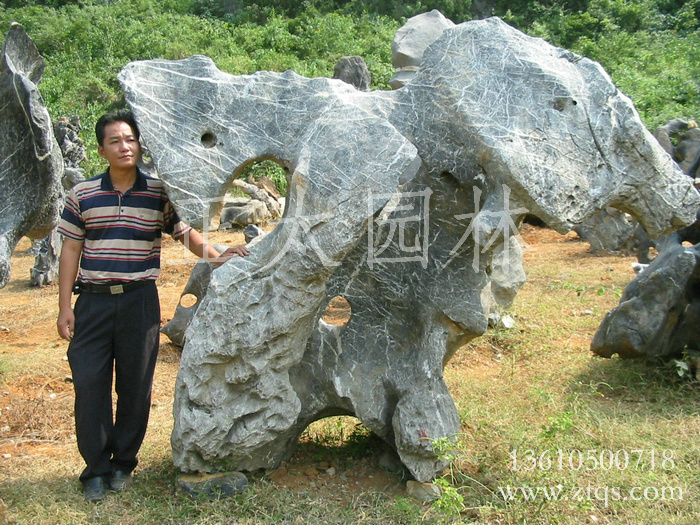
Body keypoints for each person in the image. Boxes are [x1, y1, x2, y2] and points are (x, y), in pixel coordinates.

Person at [56, 109, 249, 502]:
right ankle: (94, 470)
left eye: (130, 138)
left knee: (135, 387)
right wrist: (64, 307)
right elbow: (71, 248)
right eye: (115, 140)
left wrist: (215, 254)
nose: (124, 146)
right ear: (101, 150)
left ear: (140, 144)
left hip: (140, 303)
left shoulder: (157, 192)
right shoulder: (83, 195)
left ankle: (123, 463)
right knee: (90, 387)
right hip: (91, 303)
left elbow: (184, 233)